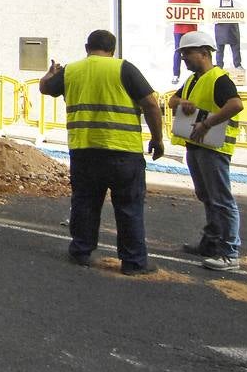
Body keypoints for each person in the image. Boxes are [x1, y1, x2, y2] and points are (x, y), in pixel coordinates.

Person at [39, 29, 165, 276]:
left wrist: (50, 73)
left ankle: (81, 251)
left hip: (84, 149)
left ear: (87, 48)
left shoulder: (71, 71)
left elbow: (45, 88)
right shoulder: (124, 68)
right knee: (128, 206)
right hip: (122, 151)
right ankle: (134, 262)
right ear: (113, 49)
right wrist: (157, 139)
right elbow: (150, 103)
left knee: (85, 202)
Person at [169, 30, 245, 272]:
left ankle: (230, 252)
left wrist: (207, 123)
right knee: (207, 196)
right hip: (197, 146)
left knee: (221, 200)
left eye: (187, 54)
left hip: (214, 148)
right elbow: (172, 100)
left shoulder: (219, 79)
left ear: (204, 53)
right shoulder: (192, 80)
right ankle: (211, 243)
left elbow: (235, 105)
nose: (184, 59)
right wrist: (182, 102)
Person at [167, 0, 202, 84]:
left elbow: (199, 13)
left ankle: (196, 73)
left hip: (191, 29)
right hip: (178, 29)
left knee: (193, 51)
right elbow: (169, 13)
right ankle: (175, 75)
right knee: (178, 52)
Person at [214, 0, 243, 71]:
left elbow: (242, 17)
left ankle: (238, 65)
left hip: (232, 30)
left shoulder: (237, 5)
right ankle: (219, 66)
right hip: (220, 30)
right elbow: (211, 17)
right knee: (219, 49)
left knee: (236, 49)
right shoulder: (216, 4)